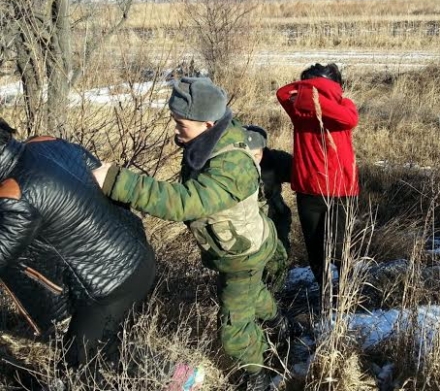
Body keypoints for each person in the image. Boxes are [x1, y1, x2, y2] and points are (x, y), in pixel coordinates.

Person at [93, 77, 282, 391]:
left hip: (241, 255)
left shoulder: (230, 165)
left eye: (182, 124)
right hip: (239, 249)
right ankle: (279, 323)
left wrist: (117, 181)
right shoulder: (209, 141)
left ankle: (257, 375)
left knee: (234, 328)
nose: (176, 130)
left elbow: (185, 202)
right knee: (250, 292)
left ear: (208, 123)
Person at [0, 118, 156, 383]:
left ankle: (171, 379)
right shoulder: (45, 142)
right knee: (109, 349)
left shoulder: (14, 195)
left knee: (76, 370)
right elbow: (100, 175)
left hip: (107, 288)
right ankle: (178, 377)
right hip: (138, 258)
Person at [276, 63, 359, 297]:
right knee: (341, 245)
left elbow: (283, 92)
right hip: (340, 188)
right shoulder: (343, 105)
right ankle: (344, 292)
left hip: (312, 189)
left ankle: (328, 292)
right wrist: (319, 90)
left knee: (316, 247)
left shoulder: (300, 106)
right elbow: (281, 92)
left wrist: (308, 92)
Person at [244, 125, 292, 294]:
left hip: (274, 217)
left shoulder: (275, 160)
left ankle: (275, 294)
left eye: (257, 154)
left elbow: (300, 171)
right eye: (248, 154)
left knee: (279, 255)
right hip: (247, 223)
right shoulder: (232, 165)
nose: (253, 159)